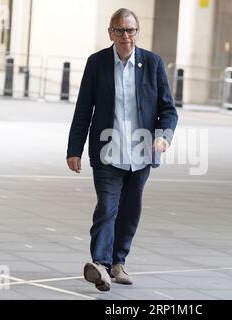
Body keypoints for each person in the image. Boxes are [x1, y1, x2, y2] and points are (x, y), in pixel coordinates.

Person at [66, 8, 178, 292]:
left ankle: (118, 263)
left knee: (130, 210)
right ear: (110, 33)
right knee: (107, 206)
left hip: (141, 153)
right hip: (107, 152)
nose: (126, 36)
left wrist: (163, 137)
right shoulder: (98, 63)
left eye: (131, 30)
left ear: (137, 33)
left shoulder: (152, 63)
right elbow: (83, 110)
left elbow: (168, 109)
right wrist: (74, 149)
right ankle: (101, 265)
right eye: (120, 30)